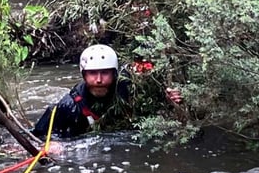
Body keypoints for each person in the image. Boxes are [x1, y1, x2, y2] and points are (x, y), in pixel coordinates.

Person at [30, 44, 182, 142]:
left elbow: (155, 104)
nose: (99, 80)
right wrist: (54, 144)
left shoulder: (130, 90)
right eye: (93, 73)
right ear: (84, 75)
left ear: (114, 74)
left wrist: (169, 99)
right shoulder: (68, 105)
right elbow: (38, 136)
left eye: (104, 73)